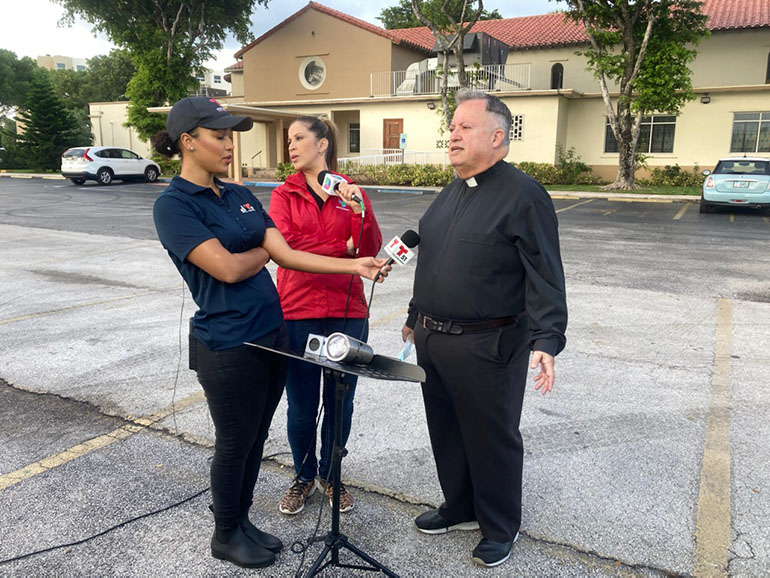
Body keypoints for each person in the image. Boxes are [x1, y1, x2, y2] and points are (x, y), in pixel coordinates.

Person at [151, 96, 388, 570]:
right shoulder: (173, 205)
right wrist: (269, 248)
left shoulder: (237, 195)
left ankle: (241, 521)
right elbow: (230, 268)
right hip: (227, 344)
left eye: (228, 135)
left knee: (257, 438)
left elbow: (288, 253)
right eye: (219, 136)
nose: (227, 143)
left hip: (271, 336)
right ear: (188, 141)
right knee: (235, 441)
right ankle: (225, 534)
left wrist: (353, 264)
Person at [401, 88, 567, 568]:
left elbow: (545, 273)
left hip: (489, 343)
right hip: (434, 339)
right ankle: (460, 507)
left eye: (464, 127)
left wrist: (547, 339)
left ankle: (499, 525)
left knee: (490, 436)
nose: (451, 134)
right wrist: (415, 316)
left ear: (498, 137)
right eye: (451, 127)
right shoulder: (450, 191)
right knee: (446, 430)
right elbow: (431, 258)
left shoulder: (523, 195)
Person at [269, 117, 382, 515]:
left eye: (298, 138)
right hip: (297, 312)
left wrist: (357, 214)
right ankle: (303, 475)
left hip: (348, 311)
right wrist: (342, 244)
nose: (291, 146)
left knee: (340, 404)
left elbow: (369, 247)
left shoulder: (351, 192)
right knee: (300, 405)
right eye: (288, 140)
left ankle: (332, 476)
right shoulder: (283, 195)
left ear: (322, 144)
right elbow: (286, 246)